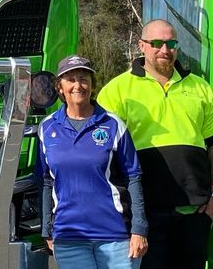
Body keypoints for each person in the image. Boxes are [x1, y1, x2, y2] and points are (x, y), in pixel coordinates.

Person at [96, 19, 213, 269]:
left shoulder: (200, 87)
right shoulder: (117, 90)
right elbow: (101, 154)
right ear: (141, 45)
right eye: (156, 43)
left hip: (194, 213)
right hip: (143, 216)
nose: (165, 50)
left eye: (171, 43)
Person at [39, 55, 148, 269]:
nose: (78, 85)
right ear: (60, 87)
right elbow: (45, 182)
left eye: (83, 78)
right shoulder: (47, 127)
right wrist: (46, 229)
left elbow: (133, 177)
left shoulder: (113, 124)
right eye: (70, 79)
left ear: (92, 85)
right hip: (69, 236)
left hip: (115, 236)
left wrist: (139, 229)